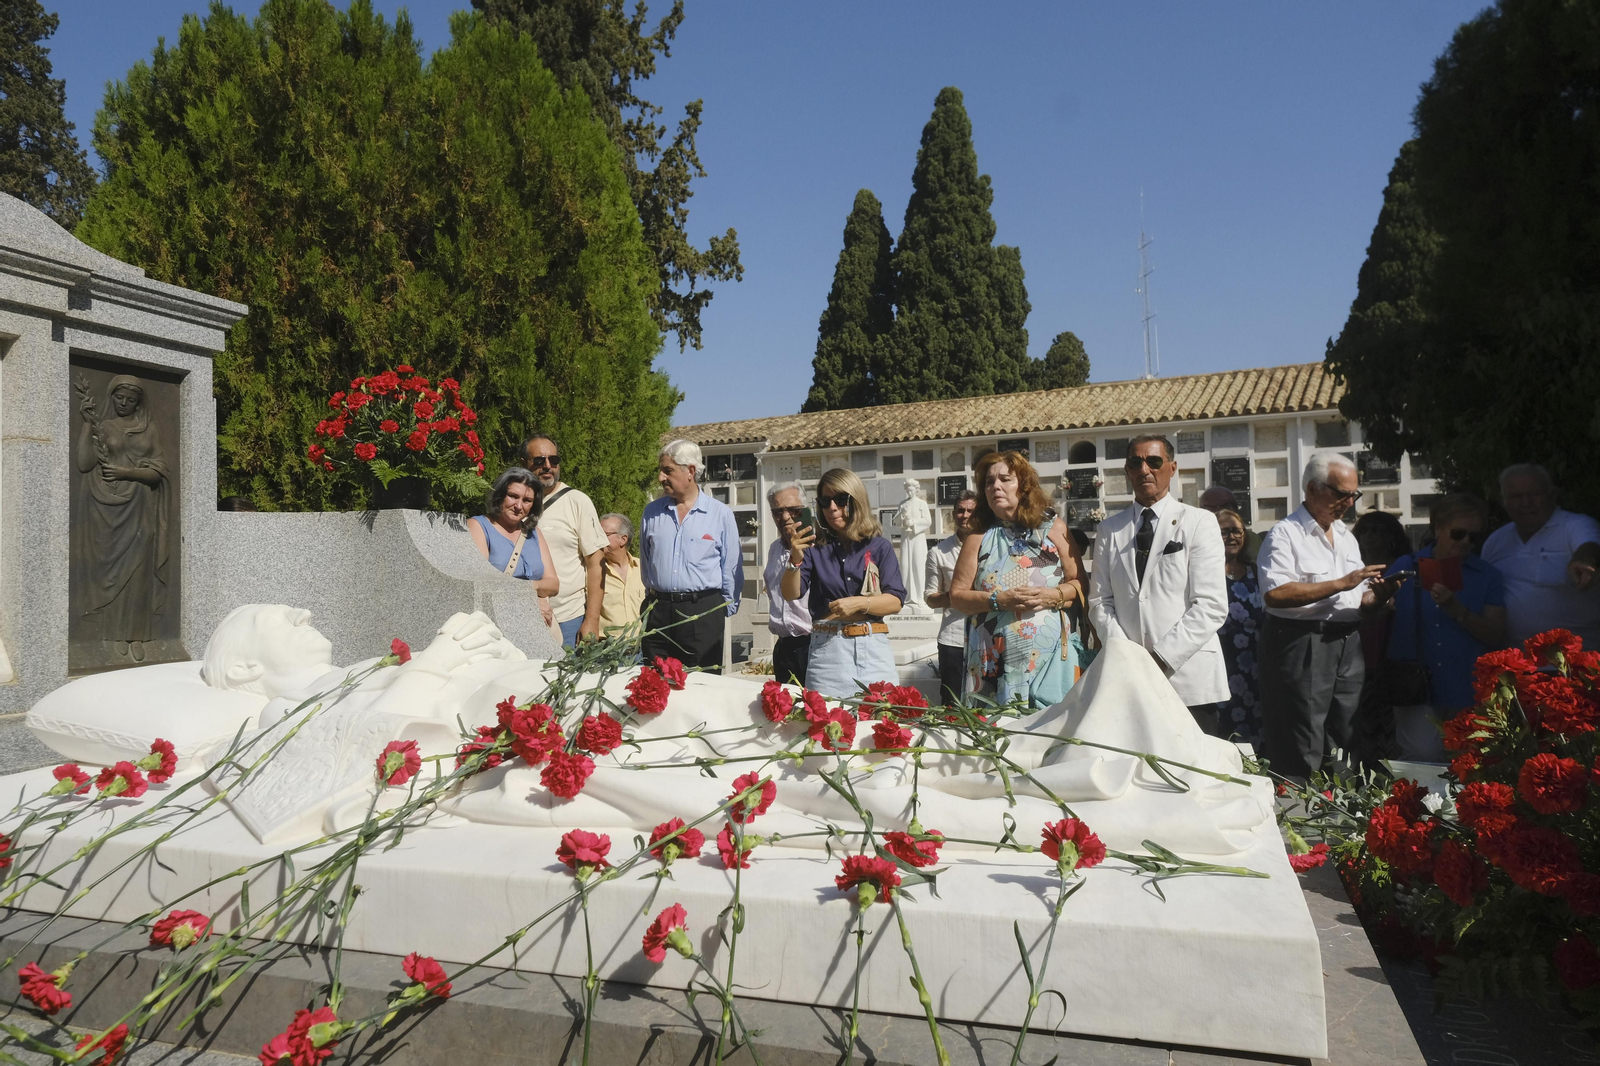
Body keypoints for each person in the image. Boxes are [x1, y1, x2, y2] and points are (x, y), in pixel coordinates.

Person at [1257, 454, 1407, 779]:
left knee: (1345, 736)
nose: (1350, 503)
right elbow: (1275, 594)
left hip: (1347, 643)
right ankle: (1299, 815)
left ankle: (1340, 813)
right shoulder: (1285, 534)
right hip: (1301, 642)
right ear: (1313, 489)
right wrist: (1340, 583)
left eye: (1355, 495)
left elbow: (1357, 600)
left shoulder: (1345, 537)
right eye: (1342, 494)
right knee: (1303, 741)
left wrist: (1378, 597)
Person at [1087, 436, 1229, 733]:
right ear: (1127, 471)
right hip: (1128, 678)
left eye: (1154, 462)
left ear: (1172, 467)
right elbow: (1100, 601)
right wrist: (1128, 658)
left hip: (1186, 674)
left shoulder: (1199, 522)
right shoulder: (1109, 529)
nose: (1144, 470)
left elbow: (1211, 605)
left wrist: (1160, 658)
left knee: (1195, 770)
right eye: (1135, 463)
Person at [949, 451, 1086, 710]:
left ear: (1024, 487)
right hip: (992, 663)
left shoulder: (1054, 528)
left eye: (1005, 479)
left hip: (1048, 662)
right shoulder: (977, 538)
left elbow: (1080, 583)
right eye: (989, 482)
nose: (995, 486)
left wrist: (1052, 596)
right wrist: (999, 600)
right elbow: (957, 596)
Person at [1384, 493, 1507, 760]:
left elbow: (1496, 635)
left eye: (1474, 537)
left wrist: (1457, 610)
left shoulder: (1487, 576)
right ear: (1438, 528)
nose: (1465, 543)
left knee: (1466, 764)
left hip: (1466, 685)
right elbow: (1374, 610)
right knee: (1420, 756)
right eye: (1458, 534)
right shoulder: (1408, 567)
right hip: (1415, 686)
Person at [781, 468, 905, 698]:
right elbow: (790, 594)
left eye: (840, 499)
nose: (832, 508)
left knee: (882, 725)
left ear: (856, 500)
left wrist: (859, 603)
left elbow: (895, 600)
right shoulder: (814, 548)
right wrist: (794, 559)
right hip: (828, 651)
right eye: (825, 501)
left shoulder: (879, 546)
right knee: (827, 728)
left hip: (873, 649)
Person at [639, 439, 743, 672]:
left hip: (702, 613)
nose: (660, 478)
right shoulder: (651, 513)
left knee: (702, 686)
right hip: (658, 612)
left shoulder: (720, 514)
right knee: (654, 686)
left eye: (668, 471)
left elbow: (731, 569)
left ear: (691, 471)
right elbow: (646, 563)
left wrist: (718, 611)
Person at [1482, 463, 1600, 647]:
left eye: (1535, 494)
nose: (1526, 503)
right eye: (1516, 496)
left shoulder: (1575, 525)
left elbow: (1590, 545)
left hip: (1575, 665)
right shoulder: (1495, 541)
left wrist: (1585, 560)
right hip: (1515, 666)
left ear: (1552, 495)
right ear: (1503, 501)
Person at [522, 434, 607, 647]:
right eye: (539, 461)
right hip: (525, 617)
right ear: (524, 464)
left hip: (568, 619)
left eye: (554, 460)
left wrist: (592, 621)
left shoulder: (577, 501)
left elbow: (596, 564)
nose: (548, 466)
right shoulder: (516, 503)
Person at [1210, 508, 1265, 748]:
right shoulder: (1205, 574)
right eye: (1224, 532)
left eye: (1236, 531)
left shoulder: (1256, 573)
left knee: (1255, 736)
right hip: (1219, 670)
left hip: (1254, 671)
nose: (1231, 537)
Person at [468, 468, 559, 601]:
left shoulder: (534, 533)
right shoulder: (478, 526)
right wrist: (535, 595)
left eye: (527, 500)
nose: (518, 506)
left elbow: (554, 584)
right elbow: (482, 582)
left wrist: (529, 588)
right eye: (513, 496)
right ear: (500, 495)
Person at [925, 490, 979, 705]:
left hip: (984, 634)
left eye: (970, 511)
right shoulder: (939, 552)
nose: (964, 515)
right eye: (960, 510)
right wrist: (956, 596)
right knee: (952, 703)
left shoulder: (992, 547)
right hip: (953, 638)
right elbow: (930, 598)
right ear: (953, 514)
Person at [762, 482, 813, 685]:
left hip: (812, 644)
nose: (785, 517)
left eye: (793, 510)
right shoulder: (774, 549)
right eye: (777, 512)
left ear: (805, 510)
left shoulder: (817, 547)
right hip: (784, 648)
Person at [597, 513, 646, 639]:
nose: (598, 539)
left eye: (604, 534)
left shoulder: (644, 569)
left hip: (641, 651)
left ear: (623, 539)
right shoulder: (593, 572)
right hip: (607, 651)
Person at [1199, 484, 1262, 560]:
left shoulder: (1251, 539)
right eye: (1224, 506)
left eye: (1234, 505)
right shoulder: (1194, 539)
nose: (1231, 510)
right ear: (1204, 510)